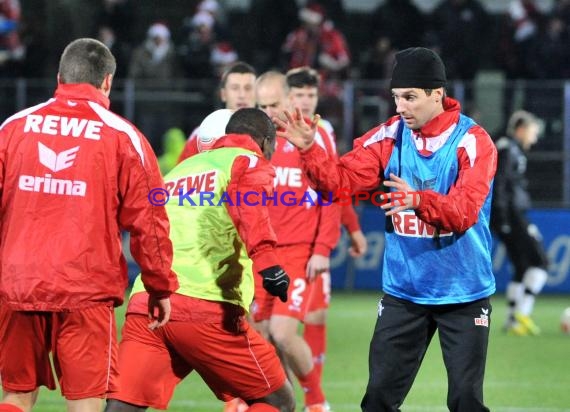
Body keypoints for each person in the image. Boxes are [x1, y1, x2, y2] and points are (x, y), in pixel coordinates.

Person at [277, 47, 497, 412]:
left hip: (464, 292)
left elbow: (464, 212)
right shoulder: (389, 135)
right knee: (377, 399)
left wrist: (418, 201)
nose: (401, 107)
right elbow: (341, 182)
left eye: (410, 97)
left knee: (465, 401)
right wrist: (310, 151)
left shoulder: (473, 142)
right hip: (404, 293)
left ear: (437, 94)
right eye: (396, 97)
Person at [0, 38, 178, 412]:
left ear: (60, 75)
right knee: (87, 398)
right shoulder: (124, 136)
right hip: (86, 287)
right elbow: (151, 222)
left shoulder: (13, 128)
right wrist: (160, 286)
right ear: (108, 82)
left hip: (17, 283)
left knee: (17, 394)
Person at [105, 108, 295, 412]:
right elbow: (250, 211)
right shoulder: (246, 160)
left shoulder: (181, 169)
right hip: (205, 306)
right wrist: (269, 265)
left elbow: (147, 225)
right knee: (279, 400)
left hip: (148, 304)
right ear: (266, 141)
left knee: (123, 405)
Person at [254, 70, 340, 411]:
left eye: (274, 103)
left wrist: (322, 250)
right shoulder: (256, 138)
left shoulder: (313, 136)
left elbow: (332, 192)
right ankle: (282, 403)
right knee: (261, 336)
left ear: (291, 99)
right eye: (262, 105)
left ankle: (317, 401)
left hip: (298, 252)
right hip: (261, 253)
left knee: (283, 333)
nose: (269, 111)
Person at [285, 66, 367, 388]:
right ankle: (280, 392)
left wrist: (354, 228)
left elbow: (335, 186)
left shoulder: (324, 131)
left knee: (316, 316)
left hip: (312, 237)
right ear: (287, 96)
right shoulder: (272, 128)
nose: (305, 101)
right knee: (273, 325)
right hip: (281, 239)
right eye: (299, 94)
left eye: (310, 94)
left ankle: (313, 394)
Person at [491, 110, 549, 336]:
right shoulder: (508, 149)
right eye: (533, 132)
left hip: (510, 215)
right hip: (512, 216)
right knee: (540, 262)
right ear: (521, 129)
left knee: (522, 265)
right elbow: (501, 184)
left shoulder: (509, 149)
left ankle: (512, 320)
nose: (534, 139)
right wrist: (503, 218)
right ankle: (522, 314)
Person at [178, 61, 257, 162]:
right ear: (223, 94)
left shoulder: (274, 133)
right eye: (235, 88)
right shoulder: (202, 134)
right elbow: (182, 174)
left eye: (248, 88)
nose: (242, 95)